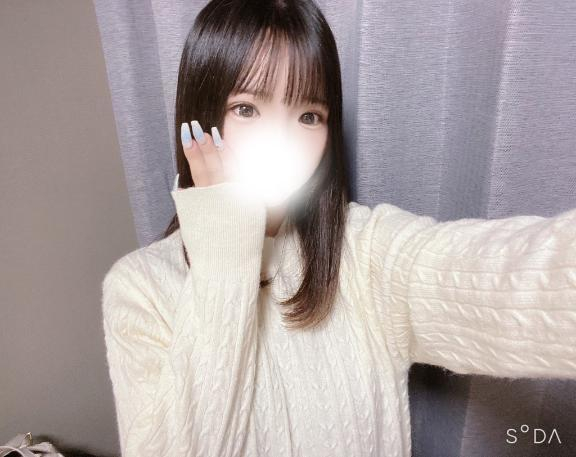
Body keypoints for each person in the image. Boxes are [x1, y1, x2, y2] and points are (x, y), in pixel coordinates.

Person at [100, 0, 576, 456]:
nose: (282, 141)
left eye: (309, 116)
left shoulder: (363, 250)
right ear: (200, 116)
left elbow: (515, 279)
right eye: (247, 108)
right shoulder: (141, 289)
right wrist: (224, 256)